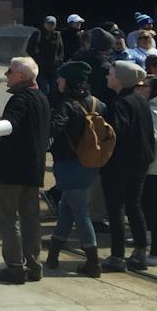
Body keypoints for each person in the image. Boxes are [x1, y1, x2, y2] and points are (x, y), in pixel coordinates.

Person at [0, 56, 52, 283]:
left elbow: (9, 127)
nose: (6, 75)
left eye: (9, 71)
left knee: (8, 218)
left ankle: (15, 267)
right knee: (30, 218)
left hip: (12, 170)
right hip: (33, 169)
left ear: (22, 76)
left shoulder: (19, 100)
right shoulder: (42, 98)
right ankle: (34, 265)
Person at [45, 61, 106, 278]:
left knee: (80, 211)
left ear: (68, 81)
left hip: (69, 165)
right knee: (67, 208)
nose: (57, 82)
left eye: (60, 79)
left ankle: (93, 261)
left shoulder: (67, 105)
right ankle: (52, 256)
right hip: (90, 164)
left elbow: (54, 129)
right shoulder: (99, 104)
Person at [100, 60, 153, 272]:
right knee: (134, 204)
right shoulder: (140, 100)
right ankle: (140, 252)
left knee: (115, 208)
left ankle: (117, 256)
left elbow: (115, 135)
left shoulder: (119, 104)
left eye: (111, 74)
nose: (107, 76)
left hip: (120, 164)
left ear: (120, 79)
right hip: (140, 161)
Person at [26, 16, 64, 99]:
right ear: (44, 24)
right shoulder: (38, 34)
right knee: (45, 90)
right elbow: (29, 49)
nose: (50, 25)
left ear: (55, 25)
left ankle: (50, 109)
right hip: (40, 68)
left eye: (52, 24)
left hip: (53, 68)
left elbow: (61, 50)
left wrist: (59, 60)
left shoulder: (57, 35)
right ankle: (42, 107)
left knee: (54, 91)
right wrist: (38, 60)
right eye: (48, 23)